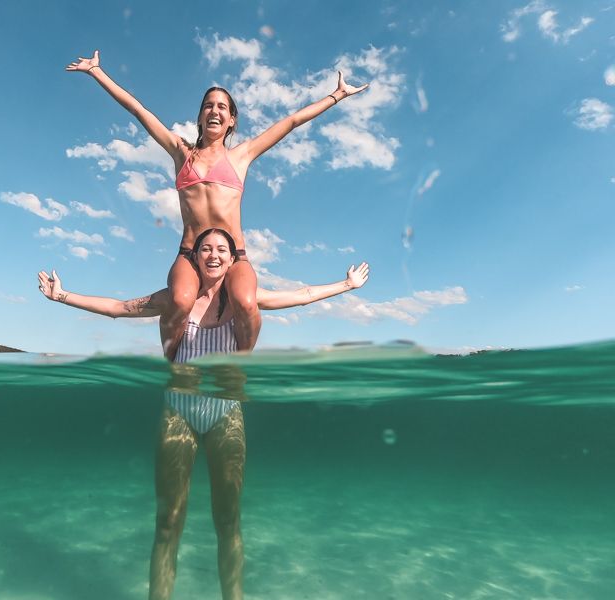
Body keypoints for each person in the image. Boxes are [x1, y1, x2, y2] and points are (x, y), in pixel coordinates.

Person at [38, 228, 370, 600]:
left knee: (228, 523)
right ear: (194, 258)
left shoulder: (243, 299)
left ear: (232, 260)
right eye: (206, 249)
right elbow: (119, 308)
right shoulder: (174, 300)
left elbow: (303, 296)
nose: (213, 255)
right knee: (167, 523)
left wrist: (346, 285)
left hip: (225, 414)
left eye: (221, 250)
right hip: (177, 415)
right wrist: (60, 295)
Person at [65, 50, 369, 359]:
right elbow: (138, 111)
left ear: (231, 120)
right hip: (190, 254)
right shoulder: (180, 152)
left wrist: (337, 95)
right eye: (208, 106)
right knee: (181, 300)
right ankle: (175, 363)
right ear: (199, 117)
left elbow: (290, 122)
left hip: (234, 256)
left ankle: (239, 364)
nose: (215, 110)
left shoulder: (242, 155)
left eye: (222, 107)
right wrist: (97, 73)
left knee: (247, 301)